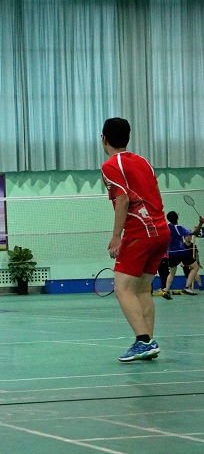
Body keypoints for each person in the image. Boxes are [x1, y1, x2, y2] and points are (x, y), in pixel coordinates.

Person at [100, 117, 169, 362]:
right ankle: (148, 342)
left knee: (122, 288)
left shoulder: (111, 165)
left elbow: (122, 199)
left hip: (140, 232)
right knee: (141, 290)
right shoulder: (143, 161)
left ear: (104, 139)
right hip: (161, 231)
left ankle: (143, 341)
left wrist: (116, 236)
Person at [162, 211, 204, 298]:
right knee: (195, 267)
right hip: (181, 252)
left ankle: (166, 290)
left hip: (171, 253)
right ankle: (187, 287)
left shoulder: (166, 226)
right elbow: (194, 232)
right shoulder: (178, 228)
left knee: (172, 273)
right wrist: (201, 223)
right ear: (177, 218)